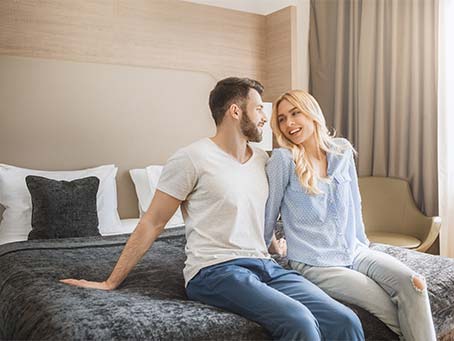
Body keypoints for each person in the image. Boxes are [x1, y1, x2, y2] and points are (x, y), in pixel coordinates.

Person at [61, 78, 364, 341]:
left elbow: (257, 214)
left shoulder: (262, 160)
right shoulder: (192, 158)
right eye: (259, 109)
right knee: (298, 320)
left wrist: (274, 245)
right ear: (236, 111)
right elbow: (152, 222)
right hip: (215, 271)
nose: (265, 118)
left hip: (264, 266)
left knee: (345, 319)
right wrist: (110, 281)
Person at [264, 89, 437, 341]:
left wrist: (366, 250)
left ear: (311, 113)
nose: (289, 123)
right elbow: (268, 216)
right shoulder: (283, 159)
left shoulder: (341, 150)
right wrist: (270, 248)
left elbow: (355, 201)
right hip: (315, 263)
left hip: (353, 250)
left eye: (295, 113)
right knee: (392, 310)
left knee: (414, 284)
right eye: (281, 119)